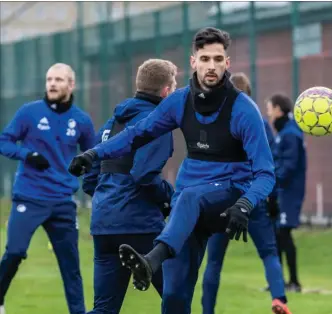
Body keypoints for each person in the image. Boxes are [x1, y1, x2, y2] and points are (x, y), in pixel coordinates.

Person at [68, 27, 292, 314]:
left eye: (218, 59)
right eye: (205, 58)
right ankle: (157, 262)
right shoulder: (179, 101)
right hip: (188, 210)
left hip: (229, 197)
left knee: (189, 197)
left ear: (227, 63)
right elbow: (136, 134)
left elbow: (265, 173)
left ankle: (152, 260)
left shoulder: (244, 110)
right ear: (193, 61)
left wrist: (246, 203)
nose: (211, 65)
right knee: (173, 297)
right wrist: (92, 154)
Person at [81, 59, 178, 314]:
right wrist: (169, 199)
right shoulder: (156, 123)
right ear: (166, 90)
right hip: (140, 225)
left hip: (104, 225)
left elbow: (90, 173)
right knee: (177, 298)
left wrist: (107, 199)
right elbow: (144, 174)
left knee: (103, 309)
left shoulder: (112, 123)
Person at [0, 63, 95, 314]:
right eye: (49, 79)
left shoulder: (82, 121)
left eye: (59, 79)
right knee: (15, 251)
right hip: (29, 197)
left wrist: (88, 175)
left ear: (71, 85)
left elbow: (93, 155)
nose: (52, 84)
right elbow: (4, 141)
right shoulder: (29, 113)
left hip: (63, 200)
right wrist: (27, 154)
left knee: (71, 266)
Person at [201, 72, 287, 314]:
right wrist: (273, 198)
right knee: (269, 253)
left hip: (222, 200)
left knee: (214, 262)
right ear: (248, 95)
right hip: (253, 198)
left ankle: (207, 311)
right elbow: (272, 165)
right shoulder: (259, 122)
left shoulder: (213, 122)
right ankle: (279, 299)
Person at [266, 93, 307, 293]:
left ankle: (294, 282)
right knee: (277, 235)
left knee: (284, 234)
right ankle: (279, 281)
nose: (268, 113)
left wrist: (272, 182)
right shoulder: (284, 131)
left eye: (269, 108)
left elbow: (288, 166)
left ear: (278, 110)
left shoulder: (290, 133)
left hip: (288, 193)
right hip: (281, 191)